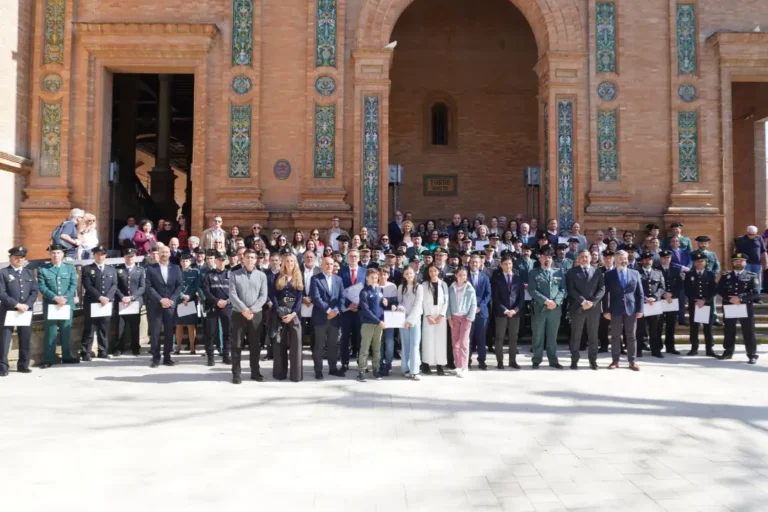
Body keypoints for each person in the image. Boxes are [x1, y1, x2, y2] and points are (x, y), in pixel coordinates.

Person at [229, 249, 269, 383]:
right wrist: (244, 309)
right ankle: (236, 373)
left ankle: (255, 372)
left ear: (256, 259)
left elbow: (263, 296)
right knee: (237, 344)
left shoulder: (261, 276)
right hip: (238, 314)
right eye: (247, 257)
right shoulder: (234, 275)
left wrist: (252, 309)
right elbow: (232, 295)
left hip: (255, 315)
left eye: (252, 257)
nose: (250, 260)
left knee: (255, 344)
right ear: (243, 259)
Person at [38, 244, 79, 367]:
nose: (56, 255)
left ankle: (66, 356)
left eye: (58, 253)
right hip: (51, 304)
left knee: (66, 331)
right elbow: (42, 286)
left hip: (66, 304)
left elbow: (73, 284)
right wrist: (55, 297)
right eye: (53, 253)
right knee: (50, 332)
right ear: (50, 254)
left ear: (63, 254)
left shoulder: (70, 268)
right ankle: (49, 359)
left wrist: (64, 298)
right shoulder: (43, 269)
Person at [602, 250, 644, 371]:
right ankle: (615, 360)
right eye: (621, 258)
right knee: (615, 336)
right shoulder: (609, 275)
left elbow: (640, 293)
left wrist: (640, 309)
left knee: (631, 336)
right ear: (615, 260)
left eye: (625, 258)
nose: (624, 260)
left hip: (631, 309)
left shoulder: (635, 273)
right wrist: (606, 310)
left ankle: (632, 361)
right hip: (615, 309)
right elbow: (605, 294)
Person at [0, 246, 38, 376]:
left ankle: (23, 364)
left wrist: (27, 305)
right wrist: (16, 304)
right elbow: (2, 293)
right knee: (5, 338)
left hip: (25, 311)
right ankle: (3, 366)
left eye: (21, 257)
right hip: (9, 310)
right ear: (10, 258)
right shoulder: (3, 273)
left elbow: (34, 292)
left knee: (25, 338)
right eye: (16, 257)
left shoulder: (29, 272)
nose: (19, 259)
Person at [717, 253, 760, 363]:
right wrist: (729, 298)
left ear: (745, 263)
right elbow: (720, 289)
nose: (738, 262)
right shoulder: (726, 276)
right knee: (729, 330)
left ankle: (752, 354)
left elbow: (755, 292)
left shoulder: (751, 276)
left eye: (741, 261)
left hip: (744, 306)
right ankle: (728, 351)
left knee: (748, 331)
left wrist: (740, 298)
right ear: (733, 262)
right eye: (736, 260)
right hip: (730, 305)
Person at [566, 249, 605, 370]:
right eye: (582, 257)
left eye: (586, 256)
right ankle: (574, 360)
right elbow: (571, 289)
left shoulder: (598, 271)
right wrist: (583, 301)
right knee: (576, 335)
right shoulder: (572, 272)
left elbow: (602, 288)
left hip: (593, 308)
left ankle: (593, 361)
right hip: (578, 307)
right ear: (578, 258)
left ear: (590, 258)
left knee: (593, 336)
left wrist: (592, 302)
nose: (584, 259)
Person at [145, 245, 183, 368]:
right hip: (156, 305)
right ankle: (155, 358)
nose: (164, 254)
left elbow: (179, 286)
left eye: (166, 252)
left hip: (170, 305)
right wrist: (161, 299)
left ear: (170, 254)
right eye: (162, 252)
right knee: (155, 332)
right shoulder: (151, 268)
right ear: (158, 253)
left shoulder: (176, 268)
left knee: (168, 332)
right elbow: (148, 287)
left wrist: (171, 300)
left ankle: (167, 357)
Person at [528, 246, 565, 369]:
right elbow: (532, 290)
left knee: (552, 336)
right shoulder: (533, 273)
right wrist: (545, 301)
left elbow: (563, 290)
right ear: (540, 258)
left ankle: (553, 360)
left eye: (549, 257)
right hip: (539, 308)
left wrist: (556, 302)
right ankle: (537, 359)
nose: (547, 259)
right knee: (538, 335)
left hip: (555, 309)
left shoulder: (558, 272)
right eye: (545, 257)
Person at [79, 245, 117, 361]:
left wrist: (108, 297)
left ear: (105, 255)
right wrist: (100, 297)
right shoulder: (87, 269)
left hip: (106, 303)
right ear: (94, 255)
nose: (100, 256)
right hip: (92, 302)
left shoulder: (111, 269)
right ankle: (86, 352)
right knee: (89, 328)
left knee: (103, 328)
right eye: (97, 254)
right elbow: (88, 285)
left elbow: (114, 285)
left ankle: (103, 351)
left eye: (102, 254)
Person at [271, 254, 304, 382]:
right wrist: (278, 309)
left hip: (294, 316)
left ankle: (296, 375)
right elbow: (273, 295)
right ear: (283, 263)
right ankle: (280, 373)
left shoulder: (298, 278)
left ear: (295, 263)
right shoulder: (277, 277)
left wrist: (293, 314)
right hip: (280, 314)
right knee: (279, 344)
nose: (289, 263)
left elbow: (300, 299)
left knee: (296, 345)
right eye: (287, 261)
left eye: (292, 261)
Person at [310, 256, 345, 378]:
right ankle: (318, 370)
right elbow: (316, 297)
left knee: (333, 345)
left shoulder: (338, 279)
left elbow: (342, 297)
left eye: (331, 264)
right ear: (322, 265)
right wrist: (328, 310)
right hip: (321, 317)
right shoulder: (315, 279)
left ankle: (333, 368)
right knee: (319, 345)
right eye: (326, 264)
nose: (329, 266)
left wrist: (335, 311)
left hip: (335, 318)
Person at [491, 254, 525, 369]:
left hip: (515, 313)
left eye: (510, 263)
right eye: (505, 264)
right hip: (501, 313)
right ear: (501, 265)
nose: (508, 266)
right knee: (499, 337)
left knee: (513, 338)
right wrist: (505, 310)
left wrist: (515, 310)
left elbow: (521, 298)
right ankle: (500, 361)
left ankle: (512, 361)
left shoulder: (517, 278)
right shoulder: (496, 278)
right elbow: (495, 298)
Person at [684, 251, 718, 357]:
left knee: (708, 328)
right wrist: (696, 300)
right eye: (697, 261)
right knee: (694, 327)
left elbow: (714, 290)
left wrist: (705, 300)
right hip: (694, 305)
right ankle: (694, 348)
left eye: (701, 261)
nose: (699, 263)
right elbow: (687, 290)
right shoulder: (689, 274)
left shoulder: (710, 274)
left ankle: (709, 349)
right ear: (694, 263)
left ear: (705, 262)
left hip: (707, 305)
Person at [356, 268, 387, 381]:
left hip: (379, 325)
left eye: (376, 277)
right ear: (367, 278)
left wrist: (385, 303)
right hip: (368, 324)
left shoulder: (380, 290)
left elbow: (381, 308)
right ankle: (361, 371)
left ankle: (376, 369)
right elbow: (365, 310)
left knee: (377, 348)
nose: (374, 279)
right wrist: (378, 321)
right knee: (364, 349)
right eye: (372, 277)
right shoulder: (364, 292)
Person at [202, 252, 232, 366]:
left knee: (227, 332)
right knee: (210, 333)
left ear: (226, 261)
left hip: (227, 307)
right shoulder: (208, 275)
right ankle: (210, 357)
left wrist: (226, 301)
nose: (221, 262)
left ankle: (226, 356)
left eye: (223, 260)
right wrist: (217, 301)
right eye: (219, 259)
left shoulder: (231, 275)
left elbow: (234, 292)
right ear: (215, 261)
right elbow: (206, 291)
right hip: (212, 307)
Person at [113, 248, 145, 357]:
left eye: (132, 256)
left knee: (135, 326)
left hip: (134, 301)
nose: (130, 258)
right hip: (122, 301)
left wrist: (131, 297)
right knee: (120, 325)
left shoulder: (140, 270)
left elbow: (142, 287)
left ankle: (135, 347)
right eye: (127, 256)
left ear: (135, 257)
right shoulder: (118, 270)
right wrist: (122, 297)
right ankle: (119, 347)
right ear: (124, 257)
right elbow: (115, 286)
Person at [446, 266, 477, 378]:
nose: (462, 277)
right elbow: (448, 304)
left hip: (465, 318)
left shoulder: (470, 288)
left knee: (464, 343)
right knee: (455, 343)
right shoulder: (451, 288)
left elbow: (474, 304)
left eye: (464, 275)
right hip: (454, 317)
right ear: (456, 275)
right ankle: (458, 366)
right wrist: (449, 317)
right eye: (460, 275)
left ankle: (464, 367)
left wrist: (470, 318)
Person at [338, 249, 365, 372]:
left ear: (359, 258)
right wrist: (349, 305)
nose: (353, 258)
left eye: (355, 256)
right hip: (346, 311)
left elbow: (367, 290)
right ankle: (344, 363)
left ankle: (361, 363)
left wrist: (358, 305)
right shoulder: (341, 272)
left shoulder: (365, 272)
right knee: (345, 337)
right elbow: (339, 290)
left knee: (360, 338)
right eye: (351, 256)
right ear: (347, 258)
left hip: (360, 311)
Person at [636, 252, 666, 358]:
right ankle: (638, 349)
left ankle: (656, 350)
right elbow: (634, 288)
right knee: (640, 328)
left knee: (656, 328)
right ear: (641, 261)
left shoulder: (658, 273)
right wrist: (644, 298)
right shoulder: (636, 273)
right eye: (645, 259)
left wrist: (654, 297)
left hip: (654, 303)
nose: (648, 261)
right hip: (641, 303)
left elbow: (662, 287)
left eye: (650, 259)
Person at [421, 264, 449, 375]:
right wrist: (428, 315)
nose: (433, 273)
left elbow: (446, 301)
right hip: (428, 316)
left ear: (438, 272)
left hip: (440, 316)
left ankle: (440, 365)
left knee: (440, 341)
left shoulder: (444, 284)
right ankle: (426, 364)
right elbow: (422, 301)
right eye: (431, 271)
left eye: (435, 271)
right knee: (428, 340)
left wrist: (441, 315)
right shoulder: (424, 285)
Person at [397, 267, 424, 380]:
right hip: (403, 320)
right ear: (404, 275)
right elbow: (399, 302)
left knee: (415, 344)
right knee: (405, 343)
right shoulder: (401, 287)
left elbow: (418, 305)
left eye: (411, 273)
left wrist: (410, 320)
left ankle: (415, 370)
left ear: (414, 274)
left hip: (415, 319)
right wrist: (400, 308)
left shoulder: (419, 287)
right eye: (407, 273)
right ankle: (406, 368)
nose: (409, 275)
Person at [173, 253, 203, 355]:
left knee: (191, 325)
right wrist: (182, 296)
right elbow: (174, 286)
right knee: (179, 325)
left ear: (190, 262)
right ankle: (178, 347)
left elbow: (196, 285)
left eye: (186, 261)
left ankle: (192, 347)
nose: (184, 263)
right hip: (179, 300)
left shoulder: (196, 272)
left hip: (191, 300)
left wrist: (189, 296)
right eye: (182, 261)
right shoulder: (176, 271)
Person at [466, 253, 491, 370]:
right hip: (467, 311)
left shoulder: (485, 277)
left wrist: (479, 306)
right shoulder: (464, 276)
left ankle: (482, 361)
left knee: (481, 338)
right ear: (469, 263)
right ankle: (467, 361)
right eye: (472, 262)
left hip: (481, 312)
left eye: (476, 262)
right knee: (468, 338)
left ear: (480, 263)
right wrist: (471, 307)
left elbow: (488, 294)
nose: (474, 264)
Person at [657, 250, 683, 355]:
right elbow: (656, 285)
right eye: (663, 257)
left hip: (672, 300)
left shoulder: (676, 270)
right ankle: (657, 346)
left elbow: (680, 285)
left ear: (670, 258)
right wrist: (663, 294)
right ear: (660, 258)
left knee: (671, 324)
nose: (666, 259)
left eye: (668, 257)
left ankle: (670, 346)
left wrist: (671, 293)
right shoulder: (656, 269)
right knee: (658, 324)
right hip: (660, 300)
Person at [377, 266, 399, 376]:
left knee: (389, 340)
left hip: (389, 317)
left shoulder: (392, 286)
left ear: (388, 275)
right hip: (378, 317)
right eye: (380, 274)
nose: (382, 276)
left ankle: (388, 363)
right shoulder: (375, 285)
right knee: (379, 341)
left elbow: (395, 301)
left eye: (385, 274)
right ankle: (379, 363)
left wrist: (392, 304)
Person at [734, 226, 768, 293]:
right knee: (744, 280)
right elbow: (737, 252)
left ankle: (757, 297)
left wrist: (766, 262)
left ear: (756, 233)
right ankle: (744, 296)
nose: (752, 236)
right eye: (750, 234)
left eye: (753, 234)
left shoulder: (759, 238)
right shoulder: (741, 239)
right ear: (747, 232)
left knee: (757, 280)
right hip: (745, 264)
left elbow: (764, 251)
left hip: (757, 263)